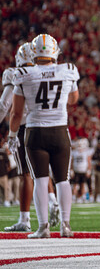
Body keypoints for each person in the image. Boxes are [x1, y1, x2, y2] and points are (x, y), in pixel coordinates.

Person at [8, 34, 79, 238]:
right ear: (55, 51)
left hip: (35, 132)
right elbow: (73, 99)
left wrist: (13, 135)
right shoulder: (68, 70)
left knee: (40, 179)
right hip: (59, 130)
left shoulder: (24, 73)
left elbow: (16, 113)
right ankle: (65, 225)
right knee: (62, 180)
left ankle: (43, 227)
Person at [3, 42, 60, 232]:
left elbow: (5, 105)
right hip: (44, 125)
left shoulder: (16, 74)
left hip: (23, 127)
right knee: (41, 172)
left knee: (25, 174)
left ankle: (25, 219)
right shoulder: (43, 72)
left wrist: (10, 131)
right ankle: (53, 201)